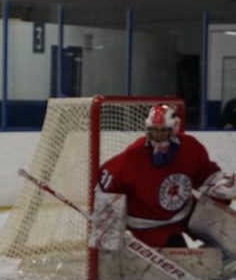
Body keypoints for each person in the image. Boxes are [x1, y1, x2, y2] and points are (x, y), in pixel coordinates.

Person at [96, 103, 232, 248]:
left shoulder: (190, 147)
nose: (158, 137)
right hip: (148, 226)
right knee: (181, 257)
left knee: (230, 229)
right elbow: (106, 186)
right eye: (154, 131)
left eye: (163, 131)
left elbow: (206, 175)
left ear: (175, 128)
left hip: (185, 214)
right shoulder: (133, 156)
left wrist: (224, 188)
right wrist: (109, 229)